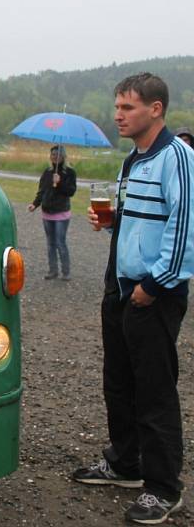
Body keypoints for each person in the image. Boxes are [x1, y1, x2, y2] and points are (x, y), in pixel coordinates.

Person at [72, 73, 194, 525]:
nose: (118, 115)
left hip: (153, 293)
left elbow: (184, 229)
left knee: (154, 392)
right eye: (118, 106)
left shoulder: (178, 158)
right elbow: (138, 218)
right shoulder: (131, 160)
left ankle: (164, 488)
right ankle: (125, 464)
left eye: (128, 108)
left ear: (156, 109)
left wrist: (155, 286)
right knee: (118, 383)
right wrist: (110, 221)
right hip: (120, 288)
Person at [27, 145, 76, 280]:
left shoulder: (70, 172)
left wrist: (59, 183)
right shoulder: (47, 172)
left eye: (58, 154)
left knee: (61, 242)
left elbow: (71, 191)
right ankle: (52, 271)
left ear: (64, 157)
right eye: (53, 154)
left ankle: (66, 272)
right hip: (47, 212)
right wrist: (35, 204)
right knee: (50, 243)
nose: (55, 156)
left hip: (61, 213)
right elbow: (42, 191)